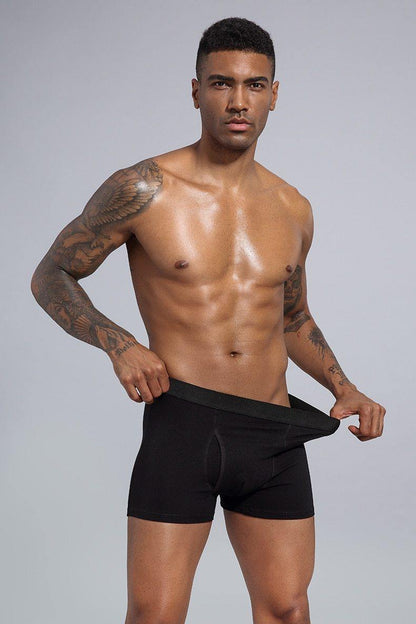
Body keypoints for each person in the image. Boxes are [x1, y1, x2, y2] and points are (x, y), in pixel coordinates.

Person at [31, 16, 386, 624]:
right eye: (222, 83)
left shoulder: (293, 207)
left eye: (254, 85)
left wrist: (343, 385)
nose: (238, 101)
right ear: (196, 91)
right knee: (156, 614)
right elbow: (52, 274)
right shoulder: (143, 188)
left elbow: (292, 316)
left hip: (273, 430)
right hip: (184, 424)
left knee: (287, 608)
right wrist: (120, 344)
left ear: (274, 94)